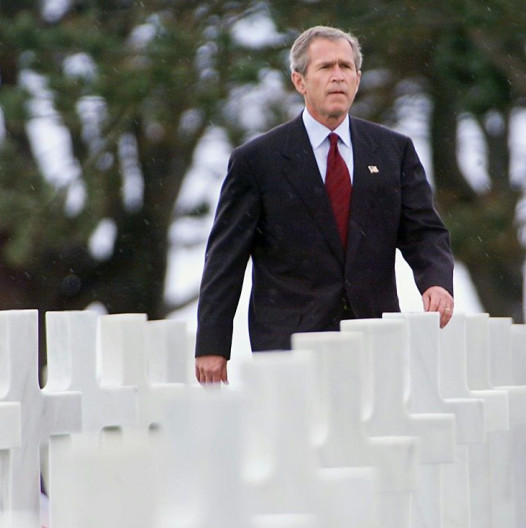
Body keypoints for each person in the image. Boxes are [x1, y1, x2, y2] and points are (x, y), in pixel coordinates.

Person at [195, 25, 455, 384]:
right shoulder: (257, 161)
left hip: (374, 339)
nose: (338, 77)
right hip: (289, 345)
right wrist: (212, 344)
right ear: (299, 81)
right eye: (325, 67)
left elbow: (424, 232)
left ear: (358, 78)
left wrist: (436, 282)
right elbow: (225, 259)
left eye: (346, 67)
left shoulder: (394, 151)